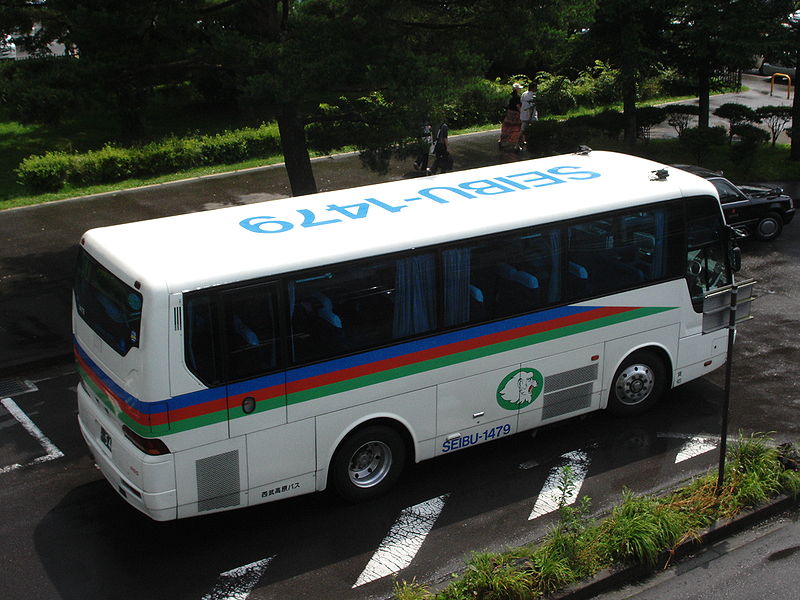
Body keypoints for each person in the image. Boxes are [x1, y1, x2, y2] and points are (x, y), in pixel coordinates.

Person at [498, 83, 522, 151]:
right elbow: (518, 106)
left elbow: (507, 104)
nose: (520, 89)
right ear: (516, 89)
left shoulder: (510, 96)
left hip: (509, 113)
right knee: (517, 128)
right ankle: (517, 143)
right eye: (519, 88)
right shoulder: (517, 97)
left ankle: (502, 140)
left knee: (507, 127)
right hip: (515, 114)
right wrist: (521, 112)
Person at [518, 82, 538, 150]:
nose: (536, 88)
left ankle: (518, 143)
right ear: (533, 88)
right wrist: (530, 118)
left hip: (523, 115)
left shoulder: (524, 94)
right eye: (535, 87)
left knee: (522, 130)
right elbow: (531, 108)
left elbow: (521, 102)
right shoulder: (533, 96)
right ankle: (532, 143)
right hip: (531, 117)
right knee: (534, 129)